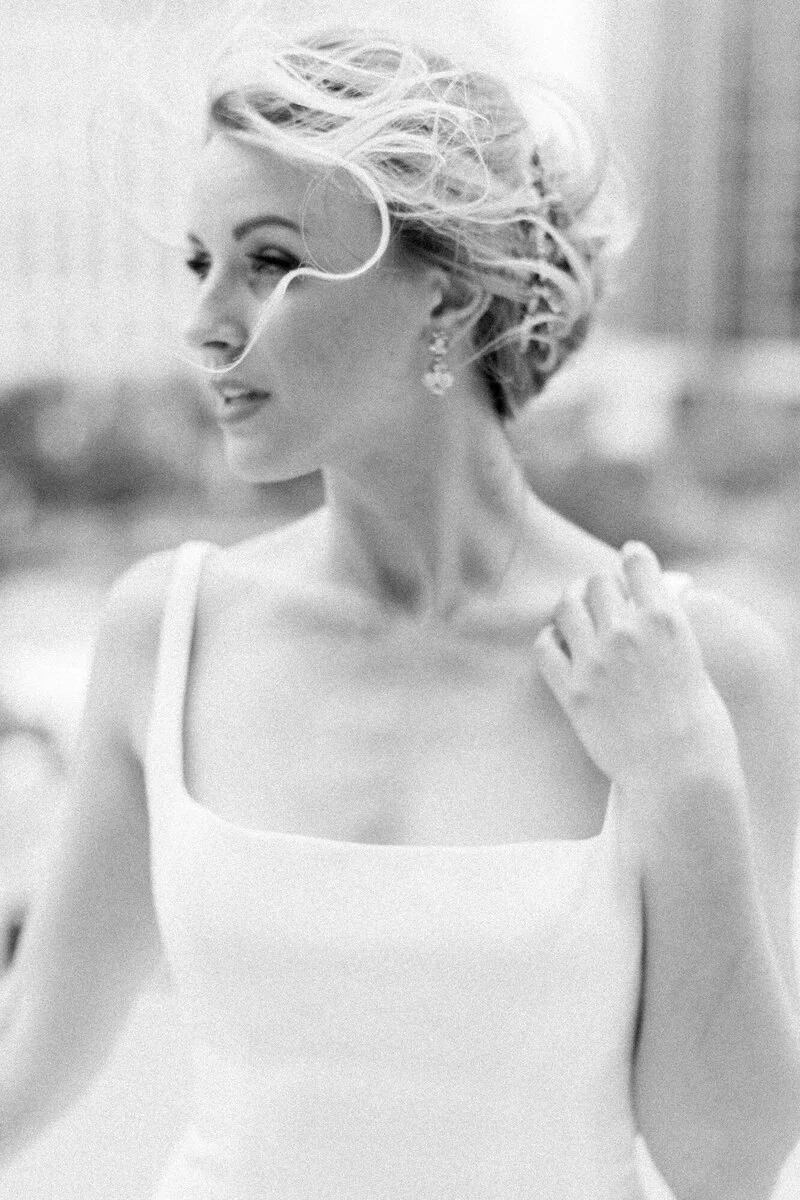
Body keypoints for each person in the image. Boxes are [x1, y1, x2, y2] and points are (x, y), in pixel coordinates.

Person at [2, 20, 799, 1200]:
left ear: (448, 298)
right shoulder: (166, 633)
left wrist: (683, 779)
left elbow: (723, 1168)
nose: (207, 321)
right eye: (200, 262)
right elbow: (30, 1050)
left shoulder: (698, 671)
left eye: (270, 262)